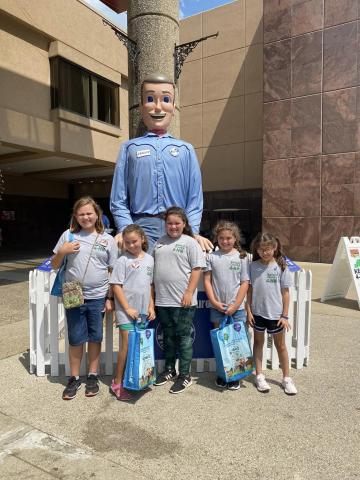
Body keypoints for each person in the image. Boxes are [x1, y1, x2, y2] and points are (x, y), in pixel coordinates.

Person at [110, 72, 213, 253]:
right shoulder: (129, 148)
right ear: (141, 107)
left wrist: (191, 231)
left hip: (177, 228)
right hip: (140, 227)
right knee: (141, 276)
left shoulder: (186, 150)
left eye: (165, 99)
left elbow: (195, 198)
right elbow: (118, 197)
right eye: (150, 99)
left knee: (175, 277)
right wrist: (126, 228)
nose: (158, 107)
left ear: (174, 106)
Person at [51, 196, 118, 400]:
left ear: (97, 214)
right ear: (75, 216)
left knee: (95, 336)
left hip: (98, 295)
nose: (86, 217)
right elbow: (54, 265)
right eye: (81, 214)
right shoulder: (68, 236)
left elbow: (113, 271)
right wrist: (62, 251)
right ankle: (74, 378)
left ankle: (92, 375)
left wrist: (110, 298)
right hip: (73, 292)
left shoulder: (107, 239)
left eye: (89, 213)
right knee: (76, 337)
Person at [152, 206, 206, 394]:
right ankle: (169, 369)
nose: (173, 226)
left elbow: (197, 268)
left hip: (182, 301)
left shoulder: (190, 243)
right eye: (169, 223)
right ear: (165, 224)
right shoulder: (159, 242)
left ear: (184, 224)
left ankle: (185, 375)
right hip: (163, 300)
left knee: (183, 338)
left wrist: (189, 292)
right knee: (168, 336)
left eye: (177, 223)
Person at [246, 232, 297, 395]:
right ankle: (259, 375)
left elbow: (286, 293)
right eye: (261, 250)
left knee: (280, 346)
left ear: (274, 248)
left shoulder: (281, 266)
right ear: (257, 250)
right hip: (257, 313)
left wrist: (284, 315)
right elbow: (250, 290)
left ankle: (286, 378)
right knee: (258, 343)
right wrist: (248, 311)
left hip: (276, 315)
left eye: (268, 249)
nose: (265, 252)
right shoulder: (252, 267)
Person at [109, 224, 155, 401]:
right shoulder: (122, 261)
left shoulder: (150, 259)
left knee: (139, 346)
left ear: (142, 239)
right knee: (126, 347)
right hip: (126, 312)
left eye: (134, 241)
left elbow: (150, 285)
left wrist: (151, 306)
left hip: (143, 312)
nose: (131, 245)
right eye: (127, 242)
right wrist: (127, 308)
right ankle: (117, 383)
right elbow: (116, 286)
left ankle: (138, 378)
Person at [203, 221, 249, 390]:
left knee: (236, 343)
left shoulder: (242, 257)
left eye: (229, 238)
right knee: (221, 342)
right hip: (218, 307)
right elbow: (207, 281)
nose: (225, 241)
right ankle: (223, 374)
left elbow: (245, 283)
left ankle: (236, 375)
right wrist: (214, 302)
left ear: (235, 238)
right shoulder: (212, 257)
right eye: (221, 238)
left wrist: (236, 305)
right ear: (216, 239)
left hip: (237, 309)